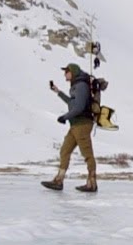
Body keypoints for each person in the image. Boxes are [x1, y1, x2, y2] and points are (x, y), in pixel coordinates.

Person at [41, 63, 98, 193]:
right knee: (65, 150)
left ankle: (92, 183)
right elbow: (72, 102)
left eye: (66, 71)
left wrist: (65, 117)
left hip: (82, 125)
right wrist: (58, 92)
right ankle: (59, 180)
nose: (64, 74)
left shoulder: (81, 86)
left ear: (73, 72)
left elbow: (78, 108)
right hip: (75, 125)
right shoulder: (76, 86)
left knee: (87, 154)